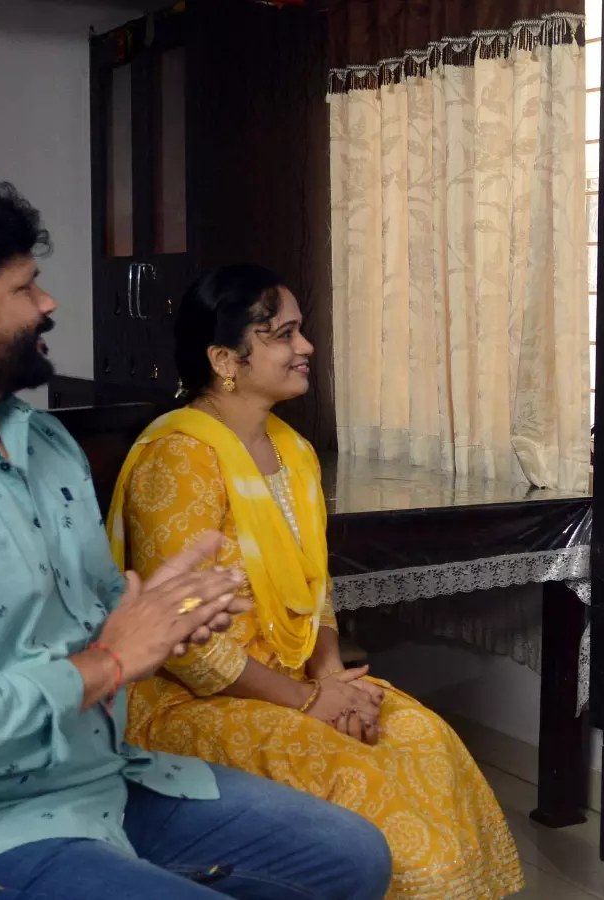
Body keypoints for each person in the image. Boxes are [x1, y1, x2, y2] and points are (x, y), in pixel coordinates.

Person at [0, 180, 393, 900]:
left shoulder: (46, 443)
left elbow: (90, 618)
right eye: (24, 287)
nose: (48, 303)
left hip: (94, 781)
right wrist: (111, 659)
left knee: (353, 856)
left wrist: (164, 616)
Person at [108, 265, 524, 900]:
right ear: (225, 359)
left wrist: (333, 682)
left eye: (300, 331)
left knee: (424, 737)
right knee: (360, 778)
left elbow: (315, 588)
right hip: (191, 699)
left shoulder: (293, 451)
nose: (305, 347)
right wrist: (306, 701)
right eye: (283, 334)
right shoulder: (179, 456)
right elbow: (187, 643)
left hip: (295, 678)